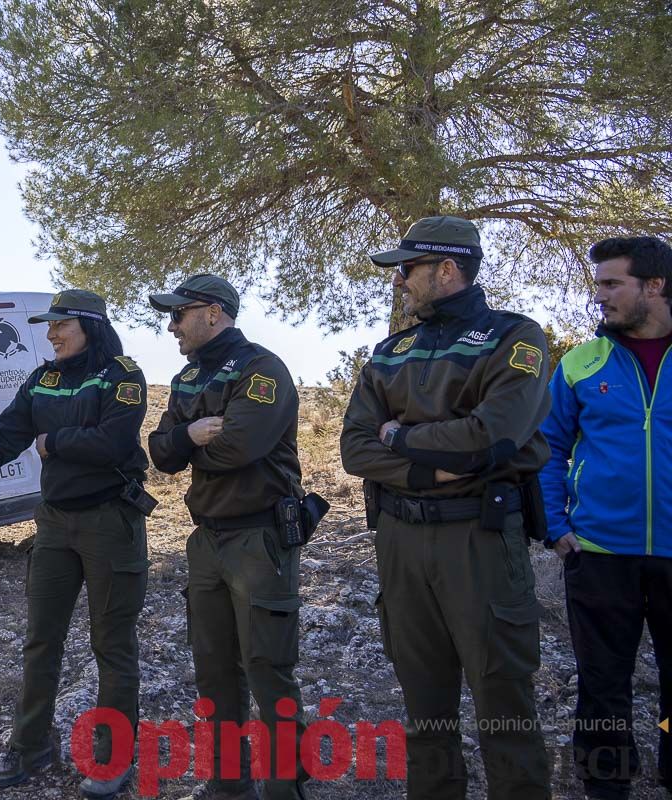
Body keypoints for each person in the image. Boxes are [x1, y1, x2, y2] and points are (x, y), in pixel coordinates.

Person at [339, 216, 552, 799]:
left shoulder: (515, 337)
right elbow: (353, 446)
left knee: (504, 705)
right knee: (424, 709)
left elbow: (493, 435)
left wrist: (398, 437)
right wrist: (431, 460)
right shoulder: (390, 351)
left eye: (407, 269)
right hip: (401, 543)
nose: (400, 281)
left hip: (478, 541)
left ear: (447, 270)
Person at [0, 289, 150, 800]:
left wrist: (53, 442)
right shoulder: (43, 379)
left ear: (90, 327)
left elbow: (115, 443)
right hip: (56, 524)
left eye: (61, 325)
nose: (51, 334)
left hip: (110, 521)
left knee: (112, 643)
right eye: (48, 327)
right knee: (42, 640)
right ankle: (31, 744)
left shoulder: (122, 375)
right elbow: (8, 435)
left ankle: (113, 756)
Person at [147, 275, 310, 800]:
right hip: (207, 542)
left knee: (269, 671)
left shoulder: (261, 369)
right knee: (213, 670)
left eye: (179, 314)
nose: (171, 325)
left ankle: (286, 789)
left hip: (259, 539)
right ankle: (227, 784)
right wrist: (190, 435)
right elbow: (161, 454)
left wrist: (186, 443)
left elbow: (238, 447)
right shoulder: (187, 377)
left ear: (213, 313)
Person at [538, 236, 672, 800]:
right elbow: (548, 447)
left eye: (612, 283)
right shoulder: (580, 363)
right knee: (602, 686)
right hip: (597, 555)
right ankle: (607, 787)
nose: (599, 296)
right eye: (597, 283)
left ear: (655, 285)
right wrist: (557, 526)